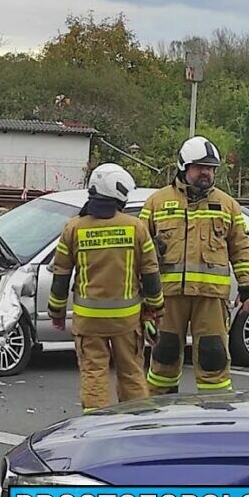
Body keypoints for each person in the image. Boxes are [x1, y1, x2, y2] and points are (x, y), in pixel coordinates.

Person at [139, 136, 249, 396]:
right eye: (200, 167)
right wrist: (142, 294)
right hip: (167, 298)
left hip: (210, 298)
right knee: (164, 356)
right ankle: (157, 414)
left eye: (211, 168)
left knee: (213, 357)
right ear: (184, 167)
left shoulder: (227, 205)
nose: (206, 172)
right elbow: (141, 251)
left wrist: (247, 286)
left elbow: (241, 247)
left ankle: (214, 416)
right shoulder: (156, 203)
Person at [47, 163, 164, 413]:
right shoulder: (135, 227)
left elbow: (60, 276)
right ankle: (137, 422)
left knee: (94, 375)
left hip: (89, 322)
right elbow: (151, 275)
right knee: (131, 373)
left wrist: (56, 313)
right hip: (126, 322)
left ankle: (96, 425)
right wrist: (155, 308)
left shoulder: (74, 228)